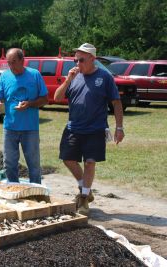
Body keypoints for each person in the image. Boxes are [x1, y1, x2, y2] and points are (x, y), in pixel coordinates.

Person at [54, 43, 125, 215]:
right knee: (67, 159)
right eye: (75, 60)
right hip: (74, 127)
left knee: (89, 162)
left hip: (95, 128)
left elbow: (116, 102)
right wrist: (68, 79)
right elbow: (57, 97)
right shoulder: (74, 76)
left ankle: (84, 198)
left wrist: (119, 127)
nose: (77, 63)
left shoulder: (104, 77)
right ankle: (84, 187)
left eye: (81, 60)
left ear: (92, 59)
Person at [0, 48, 48, 184]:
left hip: (30, 128)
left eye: (14, 62)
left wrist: (29, 104)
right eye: (9, 63)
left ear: (23, 60)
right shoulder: (5, 76)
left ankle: (36, 193)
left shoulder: (34, 75)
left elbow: (45, 99)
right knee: (9, 163)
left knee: (33, 165)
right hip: (10, 128)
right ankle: (13, 190)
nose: (11, 66)